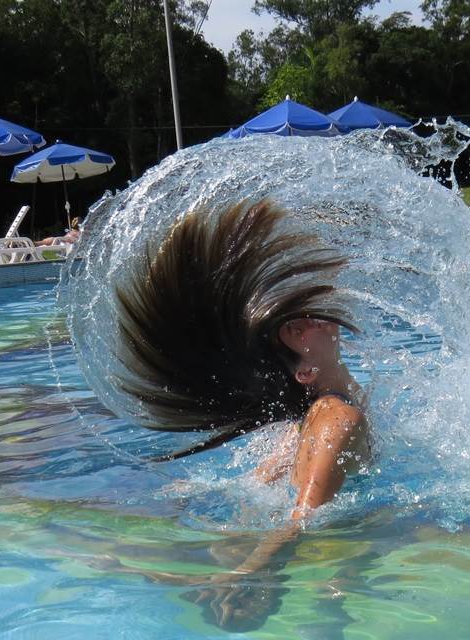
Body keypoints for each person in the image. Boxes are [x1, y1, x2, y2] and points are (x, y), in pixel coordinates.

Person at [113, 199, 369, 629]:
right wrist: (245, 573)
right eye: (296, 326)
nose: (315, 319)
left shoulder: (305, 417)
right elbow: (306, 517)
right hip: (333, 554)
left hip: (292, 547)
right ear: (304, 371)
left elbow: (260, 479)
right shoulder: (338, 418)